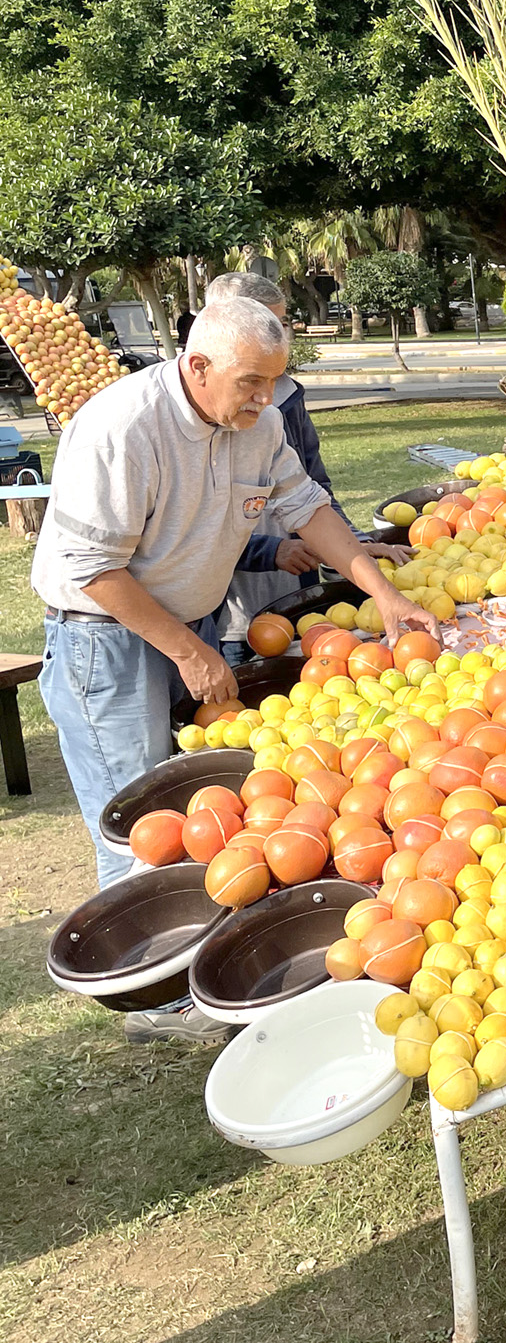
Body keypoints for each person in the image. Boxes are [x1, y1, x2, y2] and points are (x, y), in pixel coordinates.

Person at [33, 298, 441, 1040]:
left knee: (199, 805)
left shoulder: (258, 423)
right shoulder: (121, 426)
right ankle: (151, 1003)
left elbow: (305, 505)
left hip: (185, 622)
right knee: (139, 819)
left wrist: (383, 595)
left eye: (274, 382)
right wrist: (187, 651)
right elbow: (91, 569)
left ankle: (191, 970)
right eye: (251, 383)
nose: (264, 398)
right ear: (196, 366)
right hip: (106, 636)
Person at [203, 271, 411, 667]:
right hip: (230, 608)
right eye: (263, 323)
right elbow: (195, 530)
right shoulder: (186, 415)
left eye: (281, 324)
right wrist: (269, 551)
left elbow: (310, 493)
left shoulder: (282, 399)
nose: (275, 336)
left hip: (294, 584)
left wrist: (355, 547)